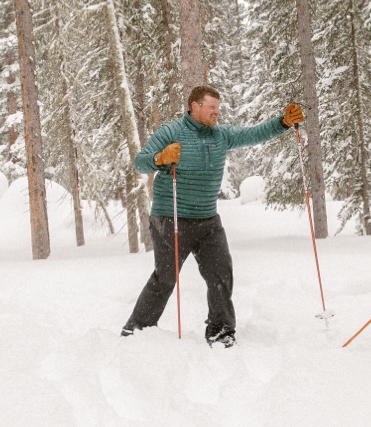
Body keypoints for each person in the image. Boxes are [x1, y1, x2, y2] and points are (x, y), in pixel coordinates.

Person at [121, 85, 304, 346]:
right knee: (166, 278)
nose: (217, 113)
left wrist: (283, 122)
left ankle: (221, 331)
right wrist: (161, 158)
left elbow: (253, 134)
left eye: (218, 108)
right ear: (195, 106)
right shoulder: (172, 132)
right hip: (171, 217)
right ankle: (136, 330)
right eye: (212, 108)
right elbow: (140, 162)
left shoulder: (221, 135)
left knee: (220, 274)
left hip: (208, 220)